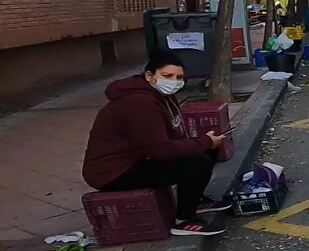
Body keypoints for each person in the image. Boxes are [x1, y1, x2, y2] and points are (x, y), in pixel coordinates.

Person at [81, 51, 229, 236]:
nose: (174, 81)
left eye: (179, 77)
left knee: (206, 150)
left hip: (136, 159)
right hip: (113, 173)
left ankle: (196, 199)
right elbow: (160, 150)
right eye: (167, 76)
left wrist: (204, 142)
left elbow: (171, 137)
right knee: (197, 162)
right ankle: (183, 221)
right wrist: (203, 142)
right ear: (150, 76)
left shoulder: (161, 95)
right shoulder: (140, 102)